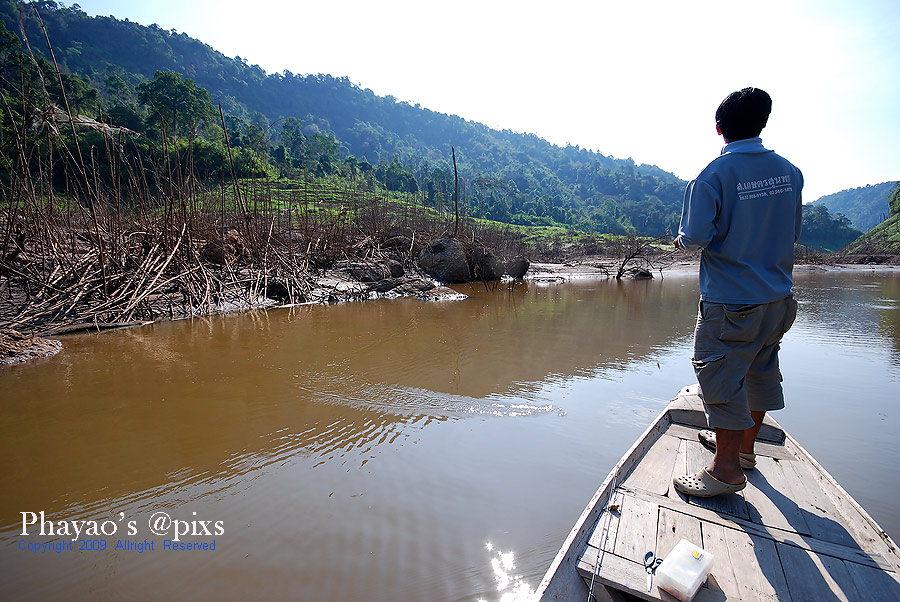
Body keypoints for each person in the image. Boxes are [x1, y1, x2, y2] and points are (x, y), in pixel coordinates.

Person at [672, 87, 803, 497]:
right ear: (762, 124)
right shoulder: (790, 173)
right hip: (778, 299)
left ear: (719, 129)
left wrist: (679, 241)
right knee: (759, 371)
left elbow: (695, 237)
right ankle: (745, 450)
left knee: (722, 378)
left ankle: (725, 469)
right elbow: (793, 231)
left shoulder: (713, 176)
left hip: (731, 301)